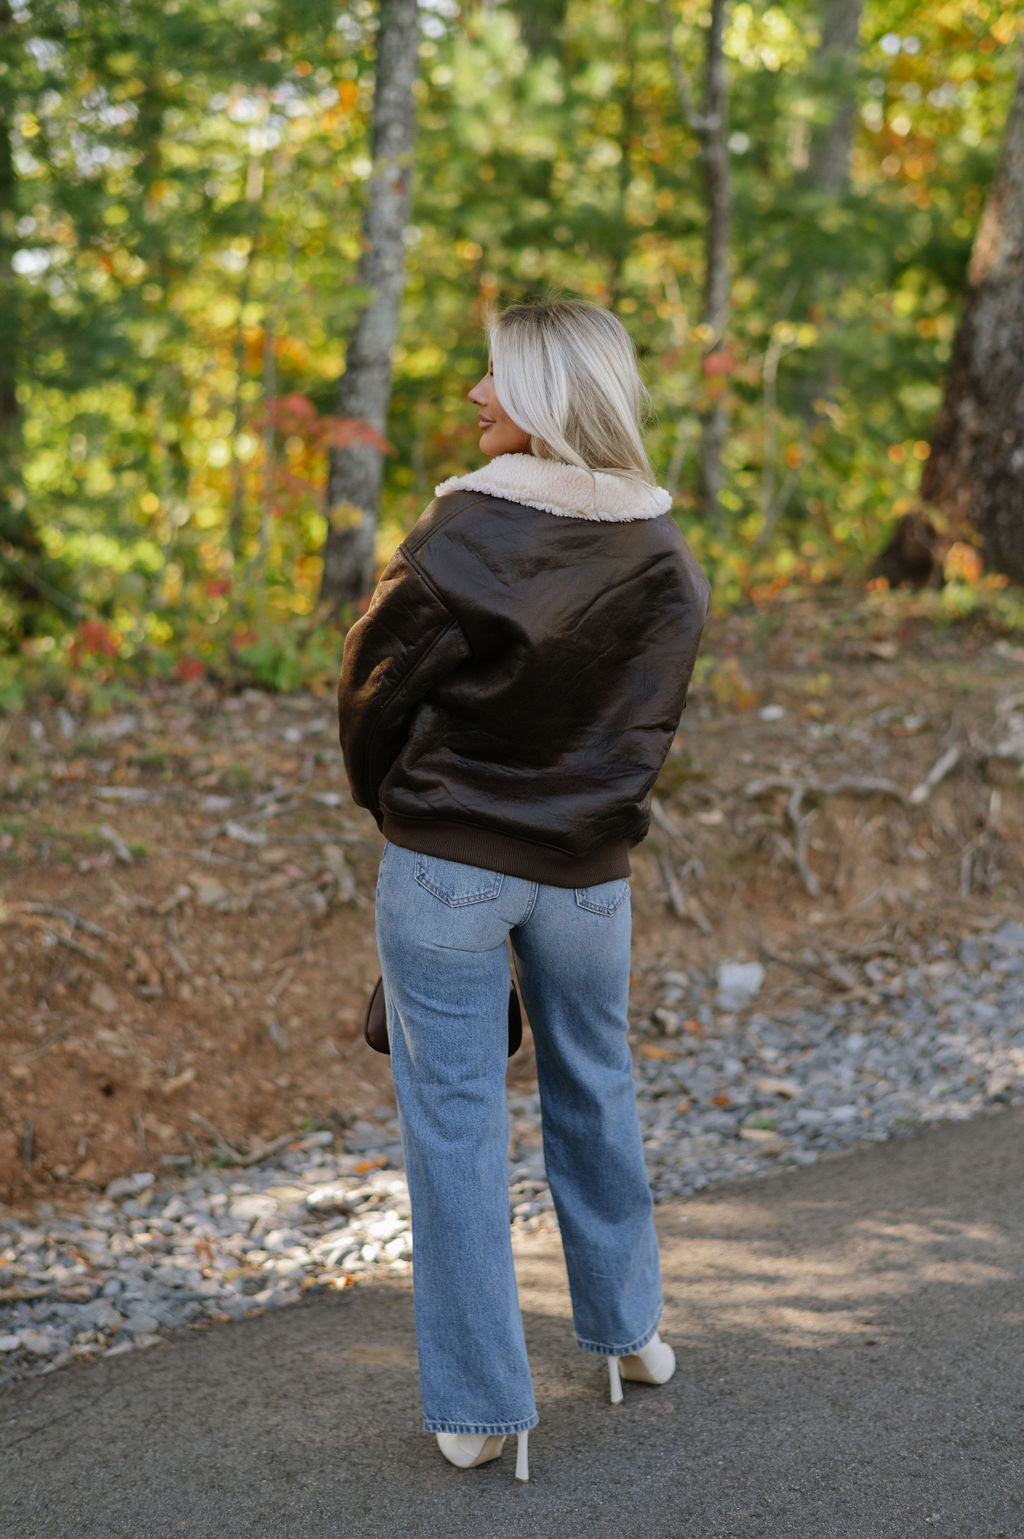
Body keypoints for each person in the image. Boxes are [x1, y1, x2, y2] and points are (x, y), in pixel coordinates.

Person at [337, 299, 711, 1483]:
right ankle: (627, 1334)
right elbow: (648, 724)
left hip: (449, 864)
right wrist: (592, 824)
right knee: (597, 1091)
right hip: (591, 878)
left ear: (545, 395)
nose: (472, 398)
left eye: (491, 379)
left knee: (452, 1125)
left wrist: (397, 807)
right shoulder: (661, 553)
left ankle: (481, 1406)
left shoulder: (458, 535)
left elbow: (371, 690)